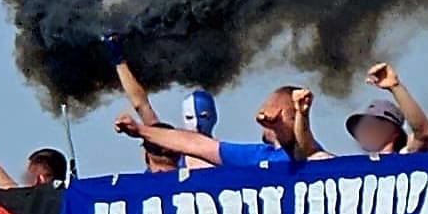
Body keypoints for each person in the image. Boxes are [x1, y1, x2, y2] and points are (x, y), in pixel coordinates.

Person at [115, 85, 326, 167]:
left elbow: (304, 151)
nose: (265, 115)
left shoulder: (315, 159)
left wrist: (301, 115)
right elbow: (195, 145)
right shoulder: (256, 156)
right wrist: (140, 130)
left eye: (274, 112)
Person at [344, 63, 428, 156]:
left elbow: (423, 133)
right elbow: (327, 159)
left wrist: (395, 87)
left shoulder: (405, 160)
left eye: (373, 124)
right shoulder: (351, 167)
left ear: (394, 132)